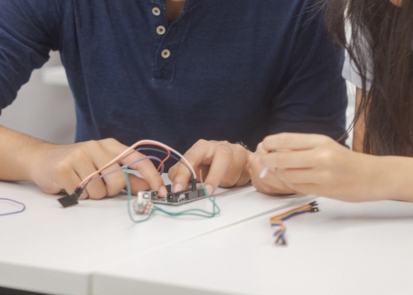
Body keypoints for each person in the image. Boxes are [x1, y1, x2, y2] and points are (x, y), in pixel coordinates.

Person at [0, 0, 347, 200]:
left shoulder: (307, 8)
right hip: (95, 238)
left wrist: (251, 162)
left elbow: (322, 169)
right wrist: (37, 157)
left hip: (245, 252)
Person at [244, 0, 413, 202]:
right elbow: (375, 160)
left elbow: (371, 172)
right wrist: (289, 171)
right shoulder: (377, 12)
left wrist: (372, 176)